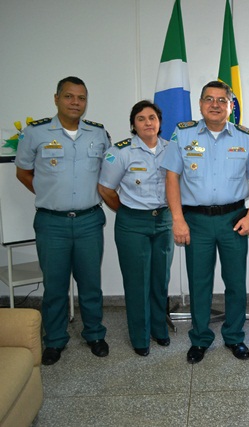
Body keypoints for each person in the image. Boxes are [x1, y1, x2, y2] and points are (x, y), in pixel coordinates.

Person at [161, 81, 249, 363]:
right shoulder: (183, 135)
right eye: (209, 99)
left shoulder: (245, 137)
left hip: (234, 220)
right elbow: (171, 177)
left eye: (222, 100)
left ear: (231, 106)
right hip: (196, 221)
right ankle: (200, 338)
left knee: (235, 282)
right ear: (200, 104)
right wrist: (177, 219)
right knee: (199, 283)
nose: (215, 105)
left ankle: (234, 336)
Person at [15, 76, 110, 365]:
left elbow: (108, 174)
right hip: (51, 223)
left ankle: (94, 334)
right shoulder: (35, 133)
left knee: (91, 283)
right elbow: (23, 172)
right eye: (69, 96)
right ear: (56, 98)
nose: (75, 102)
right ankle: (55, 340)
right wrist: (50, 194)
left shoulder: (98, 134)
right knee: (55, 286)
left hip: (89, 221)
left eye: (81, 98)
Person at [98, 100, 173, 357]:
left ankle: (159, 328)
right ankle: (140, 336)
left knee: (160, 279)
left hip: (164, 221)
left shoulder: (172, 149)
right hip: (133, 223)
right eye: (141, 118)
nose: (148, 123)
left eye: (152, 118)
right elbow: (105, 189)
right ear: (133, 124)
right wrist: (126, 212)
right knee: (137, 282)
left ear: (159, 122)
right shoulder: (120, 152)